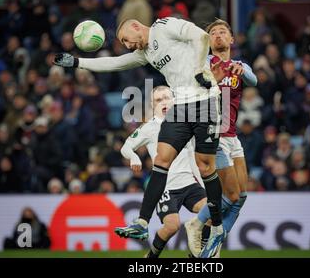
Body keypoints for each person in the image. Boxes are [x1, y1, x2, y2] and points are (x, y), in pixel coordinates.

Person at [53, 17, 240, 257]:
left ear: (136, 27)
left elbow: (201, 37)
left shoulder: (165, 26)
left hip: (204, 100)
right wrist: (78, 62)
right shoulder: (146, 52)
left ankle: (215, 227)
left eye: (126, 40)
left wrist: (198, 71)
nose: (127, 45)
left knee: (206, 167)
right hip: (180, 105)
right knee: (161, 160)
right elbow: (115, 63)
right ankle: (141, 223)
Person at [184, 19, 258, 257]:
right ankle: (197, 223)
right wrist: (210, 79)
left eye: (222, 32)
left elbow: (254, 81)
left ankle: (212, 247)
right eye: (213, 33)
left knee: (241, 197)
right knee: (231, 195)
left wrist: (242, 69)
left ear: (231, 39)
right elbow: (193, 89)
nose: (218, 35)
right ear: (208, 40)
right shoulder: (203, 63)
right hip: (212, 135)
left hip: (232, 136)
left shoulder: (238, 65)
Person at [120, 86, 206, 258]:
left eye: (167, 97)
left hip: (189, 183)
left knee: (211, 211)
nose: (164, 102)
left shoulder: (187, 123)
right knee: (172, 226)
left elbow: (193, 157)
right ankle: (151, 257)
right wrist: (133, 157)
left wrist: (203, 183)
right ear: (153, 105)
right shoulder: (150, 127)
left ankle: (197, 254)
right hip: (165, 187)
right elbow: (126, 147)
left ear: (174, 99)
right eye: (159, 100)